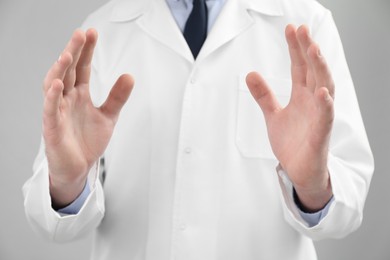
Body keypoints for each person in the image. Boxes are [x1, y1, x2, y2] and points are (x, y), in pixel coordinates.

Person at [23, 0, 374, 259]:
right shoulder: (104, 32)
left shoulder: (307, 23)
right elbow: (51, 222)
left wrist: (312, 187)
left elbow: (349, 199)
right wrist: (68, 184)